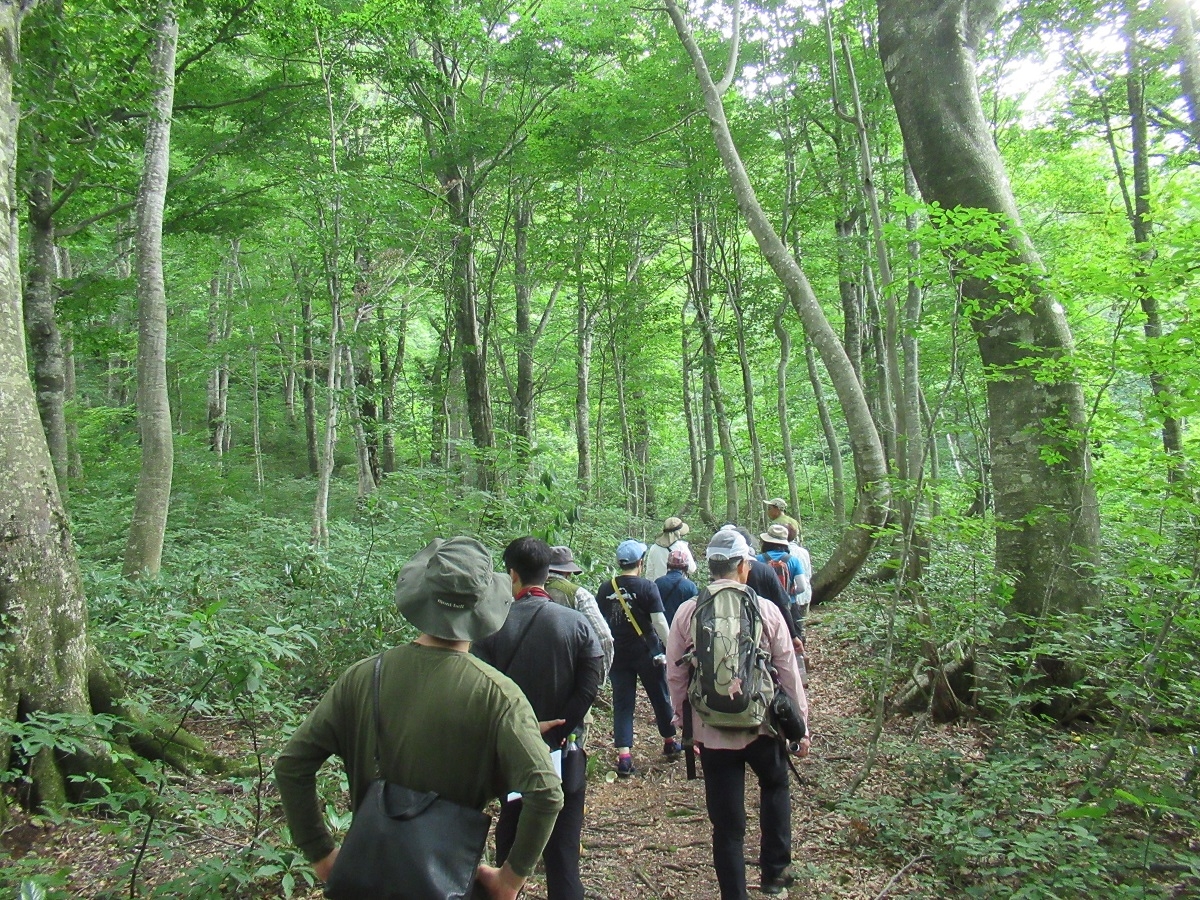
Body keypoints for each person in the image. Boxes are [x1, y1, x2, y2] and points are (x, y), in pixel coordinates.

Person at [274, 537, 563, 900]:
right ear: (485, 604)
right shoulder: (500, 695)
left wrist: (320, 852)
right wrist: (510, 878)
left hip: (365, 872)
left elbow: (292, 764)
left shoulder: (364, 676)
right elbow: (546, 793)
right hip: (448, 880)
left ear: (420, 593)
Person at [666, 529, 811, 899]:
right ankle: (775, 876)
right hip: (763, 727)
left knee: (727, 824)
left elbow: (675, 673)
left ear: (711, 567)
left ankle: (734, 893)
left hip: (713, 730)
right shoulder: (766, 610)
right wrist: (801, 728)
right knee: (775, 787)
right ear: (744, 566)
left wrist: (686, 726)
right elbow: (789, 672)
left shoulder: (688, 610)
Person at [473, 537, 605, 900]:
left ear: (511, 574)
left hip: (512, 756)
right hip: (565, 751)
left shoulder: (491, 626)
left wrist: (521, 731)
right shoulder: (576, 623)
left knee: (509, 842)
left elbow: (479, 687)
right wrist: (563, 726)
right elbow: (591, 682)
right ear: (549, 574)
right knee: (563, 854)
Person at [595, 539, 683, 776]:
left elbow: (600, 622)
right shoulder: (647, 587)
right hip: (647, 652)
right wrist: (672, 646)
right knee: (660, 695)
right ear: (640, 562)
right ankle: (669, 741)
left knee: (623, 702)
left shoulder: (606, 588)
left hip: (617, 654)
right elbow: (659, 622)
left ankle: (624, 755)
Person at [545, 544, 615, 677]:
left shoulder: (527, 590)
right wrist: (599, 676)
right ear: (568, 572)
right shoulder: (579, 594)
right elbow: (605, 638)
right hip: (569, 673)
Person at [643, 516, 698, 581]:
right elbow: (691, 569)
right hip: (678, 586)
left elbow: (649, 574)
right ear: (678, 532)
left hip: (659, 587)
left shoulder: (654, 548)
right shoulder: (682, 546)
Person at [655, 548, 698, 624]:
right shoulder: (690, 586)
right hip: (681, 630)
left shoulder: (658, 582)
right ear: (685, 567)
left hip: (661, 629)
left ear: (668, 565)